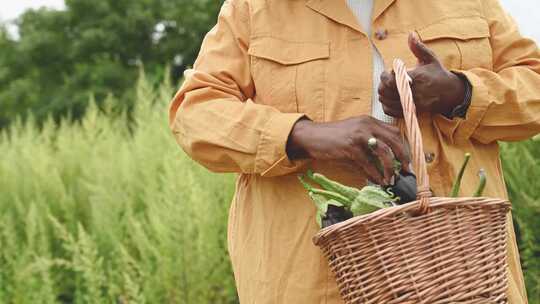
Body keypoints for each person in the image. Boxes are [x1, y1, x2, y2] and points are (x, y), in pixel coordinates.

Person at [169, 0, 540, 302]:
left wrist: (460, 93)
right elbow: (195, 114)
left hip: (462, 273)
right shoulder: (254, 8)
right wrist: (303, 134)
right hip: (309, 280)